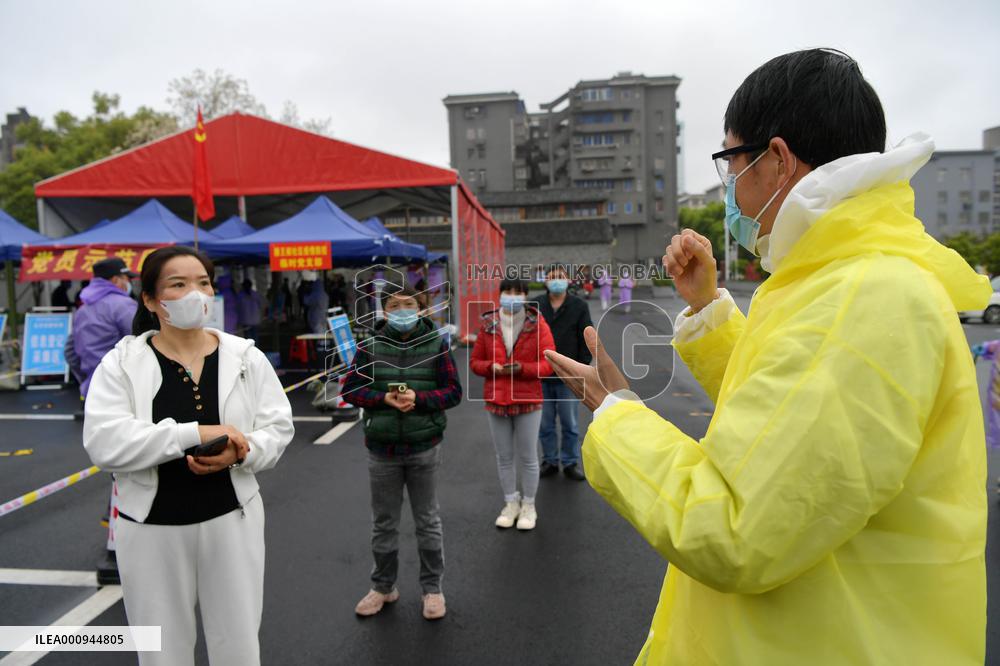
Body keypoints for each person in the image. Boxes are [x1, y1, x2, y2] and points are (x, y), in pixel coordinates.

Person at [543, 49, 990, 664]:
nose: (728, 186)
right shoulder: (848, 279)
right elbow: (791, 422)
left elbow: (736, 530)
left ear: (777, 160)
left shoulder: (862, 296)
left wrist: (616, 412)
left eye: (731, 161)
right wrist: (707, 307)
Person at [82, 246, 294, 666]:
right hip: (150, 528)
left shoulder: (244, 357)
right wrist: (191, 434)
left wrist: (243, 450)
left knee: (238, 645)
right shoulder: (122, 363)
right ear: (150, 300)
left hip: (231, 520)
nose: (194, 294)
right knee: (162, 652)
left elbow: (278, 428)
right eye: (178, 285)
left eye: (202, 283)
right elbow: (105, 441)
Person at [341, 285, 462, 620]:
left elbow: (453, 393)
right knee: (384, 523)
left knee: (427, 521)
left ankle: (432, 589)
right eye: (394, 305)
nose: (402, 311)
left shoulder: (437, 344)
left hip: (424, 446)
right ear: (384, 311)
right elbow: (350, 389)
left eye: (409, 305)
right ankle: (382, 586)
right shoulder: (370, 345)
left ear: (422, 310)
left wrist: (419, 400)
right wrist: (383, 399)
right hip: (382, 449)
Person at [64, 257, 139, 583]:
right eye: (125, 276)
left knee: (116, 466)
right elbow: (145, 345)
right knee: (130, 468)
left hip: (95, 396)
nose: (128, 281)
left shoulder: (84, 307)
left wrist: (88, 382)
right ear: (117, 278)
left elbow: (70, 352)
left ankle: (116, 539)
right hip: (126, 396)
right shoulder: (122, 306)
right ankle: (118, 544)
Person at [470, 279, 555, 531]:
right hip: (496, 398)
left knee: (529, 457)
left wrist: (523, 369)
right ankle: (510, 503)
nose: (513, 297)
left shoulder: (537, 323)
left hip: (528, 398)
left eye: (519, 293)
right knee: (504, 457)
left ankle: (529, 505)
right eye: (508, 292)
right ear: (500, 295)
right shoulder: (488, 324)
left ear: (526, 297)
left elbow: (549, 362)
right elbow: (475, 361)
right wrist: (490, 367)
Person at [537, 265, 592, 481]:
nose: (556, 281)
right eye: (552, 277)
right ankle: (550, 460)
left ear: (568, 280)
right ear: (546, 281)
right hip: (541, 375)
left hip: (568, 376)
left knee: (570, 423)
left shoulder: (578, 306)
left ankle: (570, 462)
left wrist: (580, 367)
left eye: (560, 277)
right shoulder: (536, 304)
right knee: (545, 423)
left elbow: (586, 337)